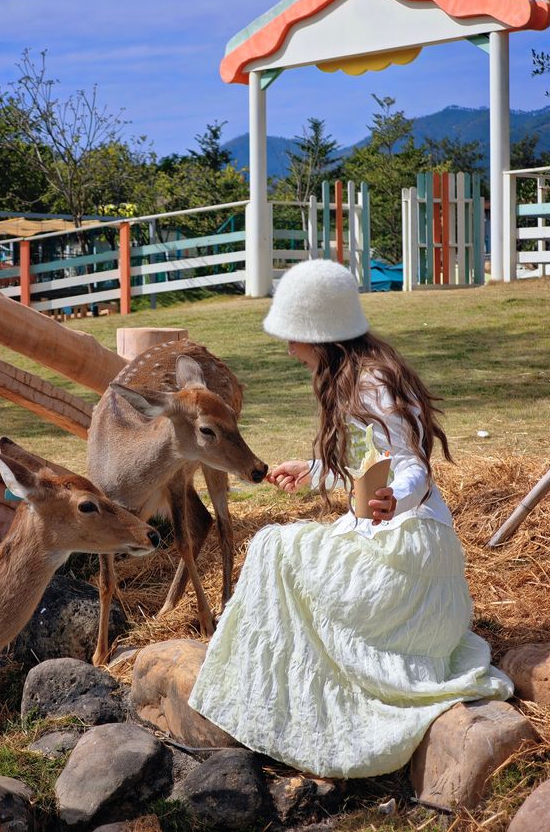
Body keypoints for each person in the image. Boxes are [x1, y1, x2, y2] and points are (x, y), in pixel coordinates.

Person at [188, 259, 512, 779]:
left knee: (274, 546)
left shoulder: (372, 383)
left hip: (409, 550)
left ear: (318, 335)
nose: (289, 349)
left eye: (293, 336)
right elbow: (374, 464)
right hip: (400, 538)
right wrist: (316, 470)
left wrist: (392, 501)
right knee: (288, 549)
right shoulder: (359, 375)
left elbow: (411, 469)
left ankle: (269, 703)